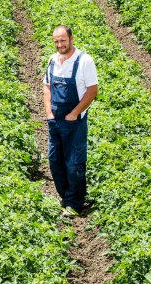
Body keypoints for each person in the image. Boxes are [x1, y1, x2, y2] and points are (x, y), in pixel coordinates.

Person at [43, 25, 98, 217]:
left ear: (71, 39)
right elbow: (47, 86)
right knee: (55, 160)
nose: (60, 45)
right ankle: (65, 198)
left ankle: (75, 203)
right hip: (55, 121)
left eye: (63, 41)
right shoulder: (52, 60)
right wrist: (49, 112)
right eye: (56, 41)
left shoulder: (84, 61)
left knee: (74, 162)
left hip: (74, 122)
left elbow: (92, 91)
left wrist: (74, 114)